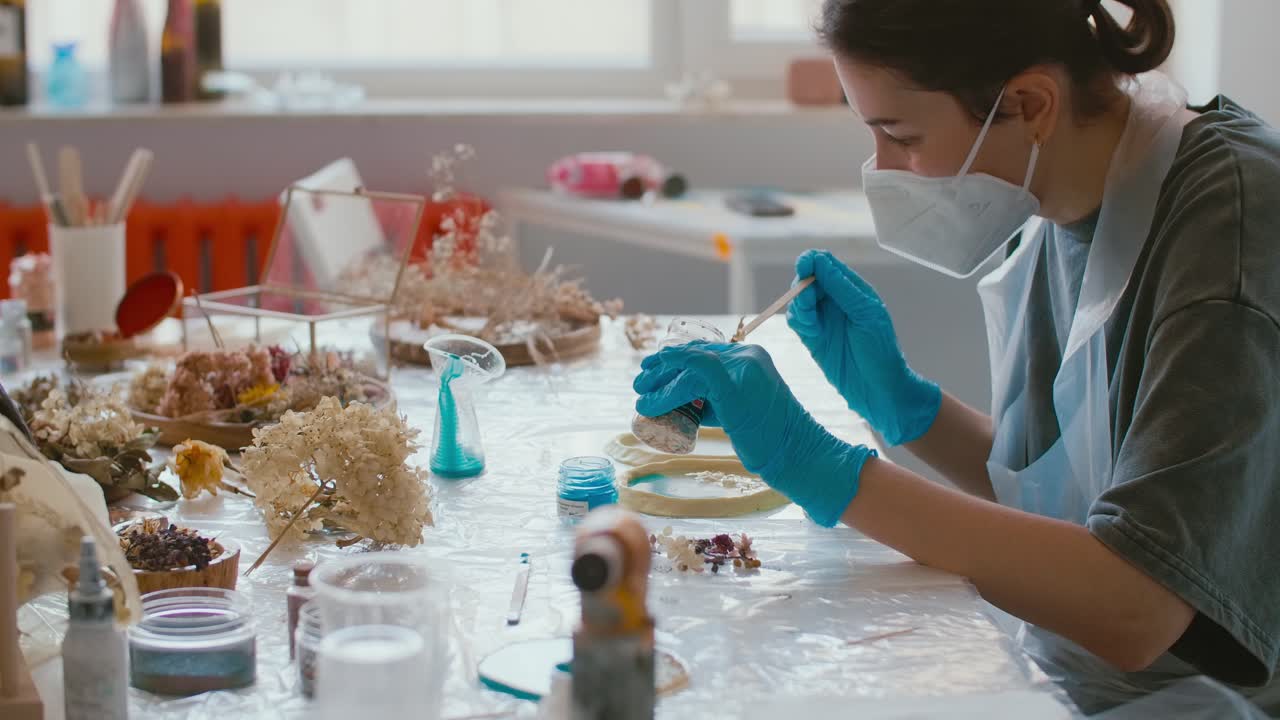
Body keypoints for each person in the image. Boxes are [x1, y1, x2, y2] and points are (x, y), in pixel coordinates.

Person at [633, 0, 1280, 715]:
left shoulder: (1228, 235)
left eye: (900, 134)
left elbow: (1141, 606)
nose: (883, 171)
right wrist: (906, 408)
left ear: (1029, 103)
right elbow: (1059, 499)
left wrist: (813, 463)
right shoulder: (1061, 190)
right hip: (1077, 667)